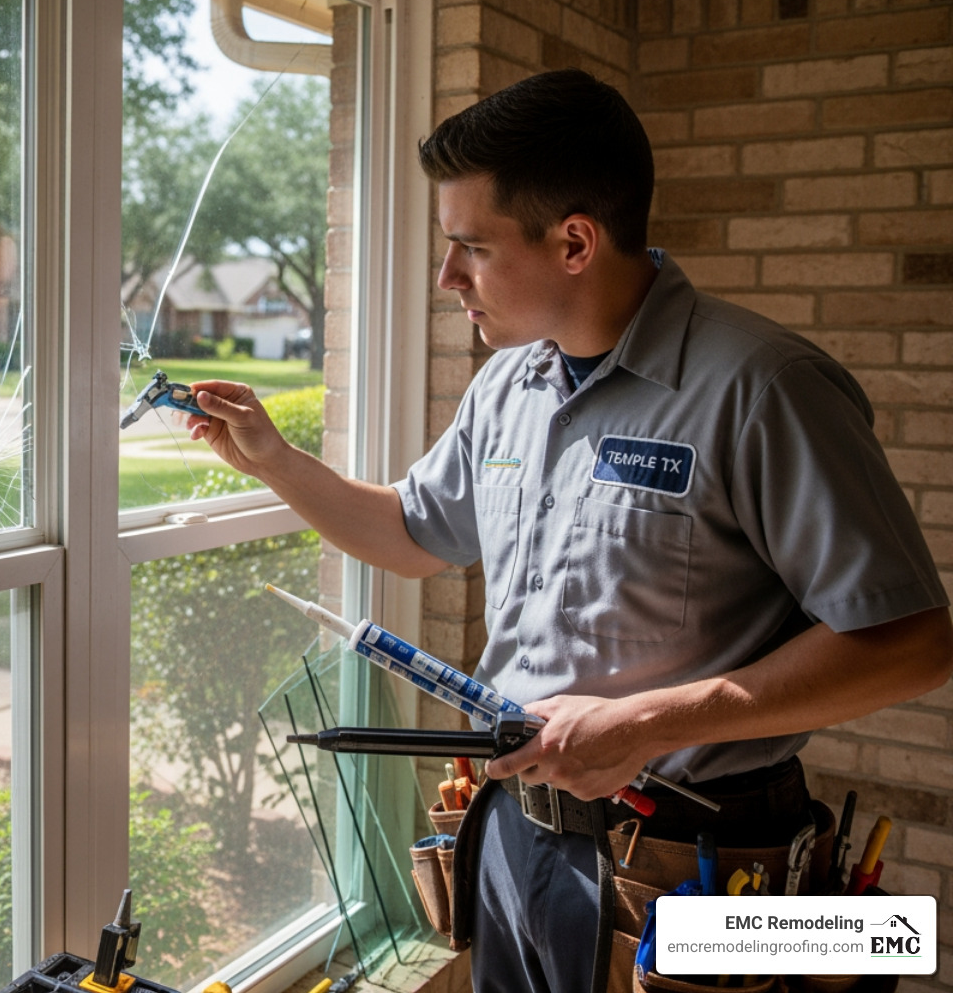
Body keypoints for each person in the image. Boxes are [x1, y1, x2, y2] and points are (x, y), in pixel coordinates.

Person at [183, 68, 953, 993]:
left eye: (469, 246)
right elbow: (413, 533)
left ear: (576, 242)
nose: (446, 277)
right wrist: (273, 458)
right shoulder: (509, 385)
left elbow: (911, 644)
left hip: (698, 860)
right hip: (514, 832)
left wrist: (643, 722)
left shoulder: (764, 388)